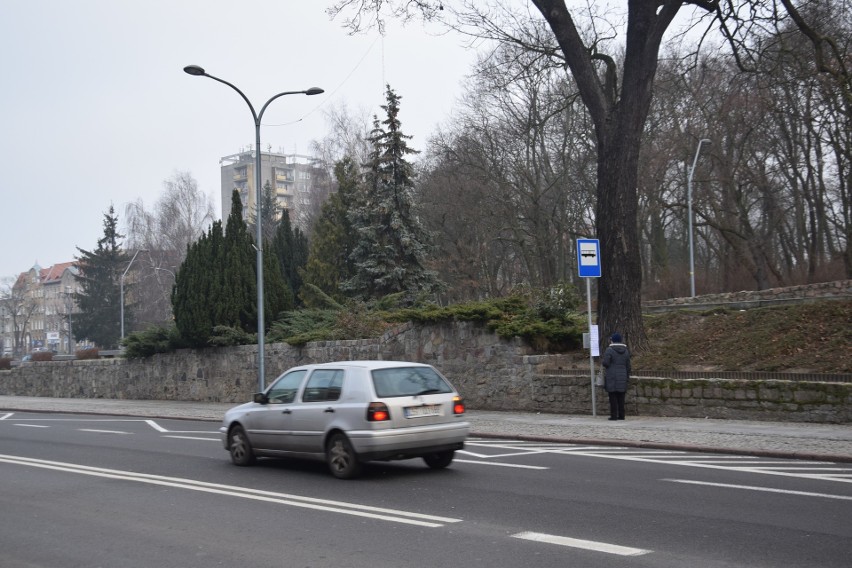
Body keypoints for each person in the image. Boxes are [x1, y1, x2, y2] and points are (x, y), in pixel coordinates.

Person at [601, 332, 631, 421]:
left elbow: (606, 363)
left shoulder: (609, 350)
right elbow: (628, 366)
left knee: (613, 396)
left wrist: (603, 362)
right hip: (623, 375)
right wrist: (627, 376)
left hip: (612, 376)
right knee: (621, 397)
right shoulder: (626, 351)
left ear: (612, 340)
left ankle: (614, 416)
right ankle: (622, 415)